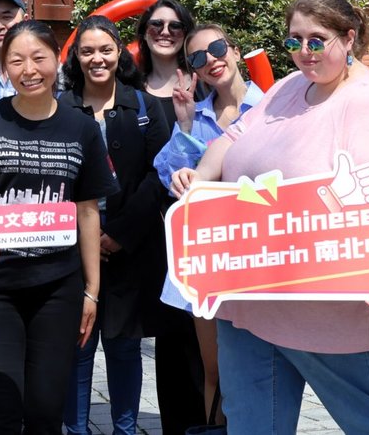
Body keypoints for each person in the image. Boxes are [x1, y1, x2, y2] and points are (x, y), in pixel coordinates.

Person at [174, 0, 369, 435]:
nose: (304, 52)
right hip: (252, 301)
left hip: (329, 312)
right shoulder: (290, 87)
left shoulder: (367, 107)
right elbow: (232, 138)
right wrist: (200, 177)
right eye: (294, 41)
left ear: (348, 39)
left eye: (317, 40)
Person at [0, 20, 117, 435]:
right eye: (16, 61)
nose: (29, 69)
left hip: (58, 286)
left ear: (56, 61)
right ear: (5, 68)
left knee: (48, 410)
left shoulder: (81, 127)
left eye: (38, 58)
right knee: (2, 408)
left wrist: (92, 290)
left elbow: (87, 212)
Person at [59, 16, 172, 435]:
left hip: (130, 245)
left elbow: (158, 174)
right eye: (87, 51)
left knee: (124, 347)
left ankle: (125, 429)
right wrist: (85, 233)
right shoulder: (61, 107)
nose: (96, 59)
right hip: (73, 245)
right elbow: (56, 177)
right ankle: (76, 429)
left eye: (105, 49)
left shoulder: (144, 106)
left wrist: (120, 234)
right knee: (79, 344)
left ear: (120, 52)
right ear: (76, 57)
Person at [153, 23, 265, 430]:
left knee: (263, 370)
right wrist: (183, 126)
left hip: (265, 258)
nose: (211, 60)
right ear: (194, 71)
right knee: (214, 373)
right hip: (211, 258)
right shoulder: (195, 117)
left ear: (234, 50)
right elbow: (169, 177)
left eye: (217, 49)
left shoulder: (273, 106)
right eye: (198, 57)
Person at [133, 0, 194, 132]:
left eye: (175, 26)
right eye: (156, 24)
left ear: (185, 35)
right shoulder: (130, 89)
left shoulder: (204, 85)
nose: (165, 32)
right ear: (144, 33)